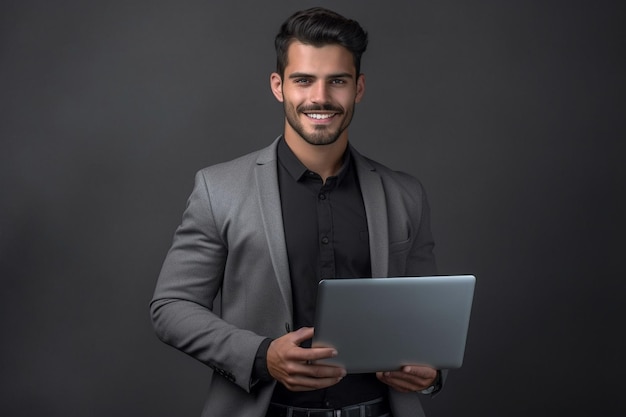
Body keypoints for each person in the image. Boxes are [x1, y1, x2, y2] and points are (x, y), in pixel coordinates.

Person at [151, 7, 444, 417]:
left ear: (358, 88)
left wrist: (431, 374)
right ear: (278, 86)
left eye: (337, 81)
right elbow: (171, 307)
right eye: (303, 80)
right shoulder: (218, 189)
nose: (320, 97)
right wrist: (261, 355)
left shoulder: (405, 194)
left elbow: (428, 325)